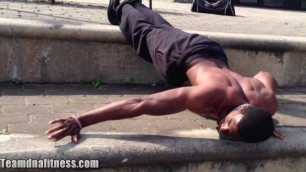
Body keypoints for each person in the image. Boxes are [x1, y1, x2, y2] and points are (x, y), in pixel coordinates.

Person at [45, 0, 284, 143]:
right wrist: (80, 120)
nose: (222, 128)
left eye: (229, 132)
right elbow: (141, 104)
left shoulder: (265, 103)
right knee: (144, 32)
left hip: (213, 51)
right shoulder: (209, 95)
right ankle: (122, 5)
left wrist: (262, 125)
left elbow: (266, 75)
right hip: (178, 55)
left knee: (162, 28)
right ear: (245, 108)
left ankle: (134, 4)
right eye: (229, 124)